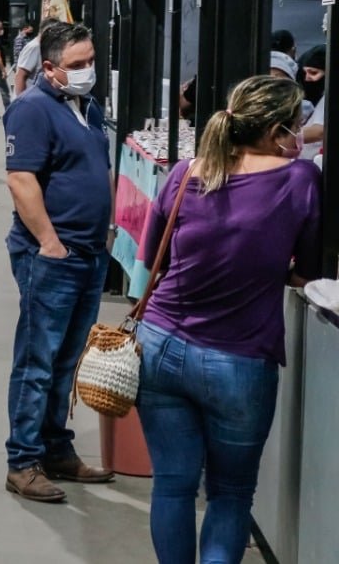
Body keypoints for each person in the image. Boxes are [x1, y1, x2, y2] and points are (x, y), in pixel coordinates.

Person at [133, 75, 321, 561]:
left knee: (172, 484)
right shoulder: (300, 180)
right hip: (239, 360)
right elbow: (309, 271)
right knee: (231, 492)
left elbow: (153, 256)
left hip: (160, 344)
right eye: (297, 124)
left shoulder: (187, 171)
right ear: (278, 131)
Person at [2, 21, 114, 504]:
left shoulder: (87, 107)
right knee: (37, 360)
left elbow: (98, 169)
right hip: (52, 256)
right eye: (77, 64)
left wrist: (106, 230)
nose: (88, 70)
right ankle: (23, 461)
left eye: (91, 61)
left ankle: (55, 448)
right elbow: (21, 179)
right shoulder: (32, 109)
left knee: (66, 360)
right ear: (49, 68)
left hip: (89, 253)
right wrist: (49, 242)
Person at [14, 17, 60, 95]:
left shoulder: (43, 46)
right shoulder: (34, 47)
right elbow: (20, 76)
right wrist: (22, 99)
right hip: (28, 96)